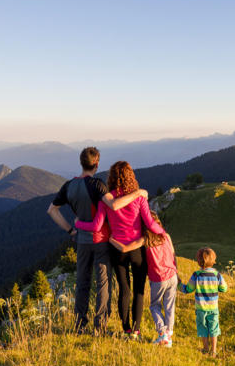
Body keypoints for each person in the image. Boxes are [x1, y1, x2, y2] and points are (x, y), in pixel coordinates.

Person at [47, 148, 147, 334]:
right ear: (97, 163)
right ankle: (100, 327)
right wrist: (138, 193)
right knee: (103, 284)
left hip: (82, 241)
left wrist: (71, 229)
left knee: (82, 282)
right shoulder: (97, 184)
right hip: (101, 241)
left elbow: (52, 210)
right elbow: (115, 205)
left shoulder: (68, 186)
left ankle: (79, 325)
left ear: (81, 162)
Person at [75, 161, 165, 340]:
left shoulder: (108, 199)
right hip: (137, 249)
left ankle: (126, 329)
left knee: (124, 289)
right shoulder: (139, 198)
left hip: (116, 248)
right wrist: (164, 234)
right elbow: (149, 223)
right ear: (131, 176)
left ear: (112, 178)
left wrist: (77, 223)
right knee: (139, 289)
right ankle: (136, 330)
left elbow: (97, 225)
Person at [109, 211, 178, 347]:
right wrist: (177, 273)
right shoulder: (166, 236)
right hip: (172, 276)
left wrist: (112, 240)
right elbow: (173, 255)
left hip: (159, 279)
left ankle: (162, 333)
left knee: (155, 306)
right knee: (170, 306)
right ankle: (169, 335)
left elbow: (124, 249)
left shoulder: (145, 240)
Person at [179, 247, 227, 357]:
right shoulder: (216, 274)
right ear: (213, 260)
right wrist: (217, 288)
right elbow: (224, 288)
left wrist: (179, 284)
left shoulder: (196, 275)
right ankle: (213, 351)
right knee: (214, 328)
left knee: (203, 328)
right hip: (213, 308)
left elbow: (188, 289)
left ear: (198, 261)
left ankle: (205, 349)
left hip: (200, 308)